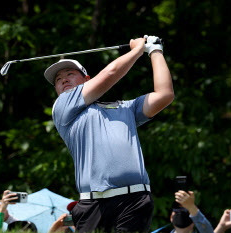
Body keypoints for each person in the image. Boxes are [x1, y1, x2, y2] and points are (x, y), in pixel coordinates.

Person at [44, 35, 174, 232]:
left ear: (87, 79)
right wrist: (138, 50)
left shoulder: (125, 108)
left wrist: (155, 50)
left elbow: (164, 95)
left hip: (135, 200)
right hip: (92, 204)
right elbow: (110, 73)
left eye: (70, 74)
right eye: (58, 80)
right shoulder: (62, 107)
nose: (63, 81)